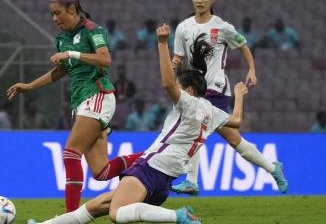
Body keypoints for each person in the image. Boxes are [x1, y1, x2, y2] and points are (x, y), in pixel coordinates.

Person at [26, 24, 248, 224]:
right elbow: (236, 121)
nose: (176, 89)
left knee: (116, 213)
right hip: (166, 180)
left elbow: (167, 82)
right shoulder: (212, 112)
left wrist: (162, 44)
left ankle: (179, 216)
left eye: (181, 86)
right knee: (96, 206)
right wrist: (238, 94)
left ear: (189, 91)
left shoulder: (188, 103)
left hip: (151, 167)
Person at [7, 0, 143, 212]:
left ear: (71, 9)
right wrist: (30, 86)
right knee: (102, 172)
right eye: (52, 14)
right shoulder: (61, 38)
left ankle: (70, 216)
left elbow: (105, 59)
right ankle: (154, 156)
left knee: (70, 153)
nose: (54, 18)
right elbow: (61, 70)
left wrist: (72, 53)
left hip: (98, 95)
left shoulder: (92, 29)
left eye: (58, 13)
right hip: (81, 101)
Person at [171, 0, 288, 196]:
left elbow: (243, 46)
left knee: (194, 126)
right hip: (194, 89)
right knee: (235, 141)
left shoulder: (223, 27)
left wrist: (251, 69)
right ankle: (272, 168)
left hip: (215, 89)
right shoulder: (183, 28)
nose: (199, 0)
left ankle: (191, 181)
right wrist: (174, 72)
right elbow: (179, 59)